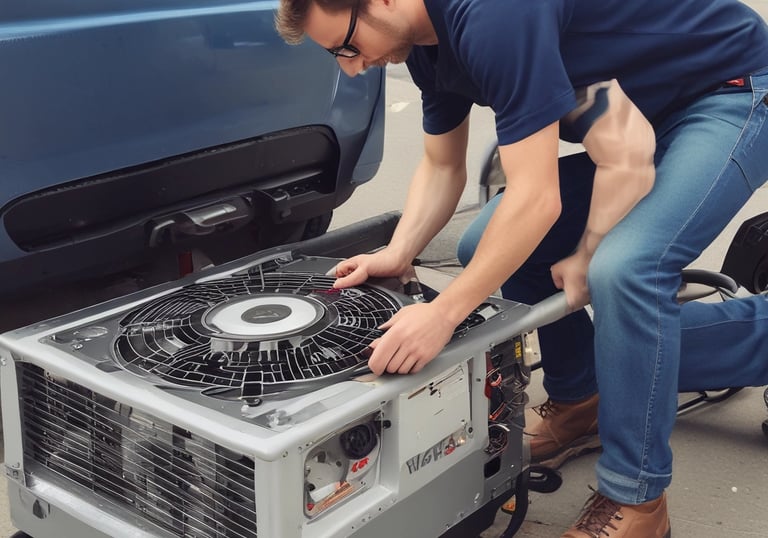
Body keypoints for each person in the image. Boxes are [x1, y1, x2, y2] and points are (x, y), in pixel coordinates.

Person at [275, 0, 768, 536]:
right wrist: (398, 252)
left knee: (625, 270)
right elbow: (443, 166)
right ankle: (582, 398)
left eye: (346, 47)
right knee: (481, 245)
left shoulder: (493, 14)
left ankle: (637, 499)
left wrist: (443, 316)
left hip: (730, 91)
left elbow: (537, 199)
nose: (351, 67)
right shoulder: (422, 45)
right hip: (639, 126)